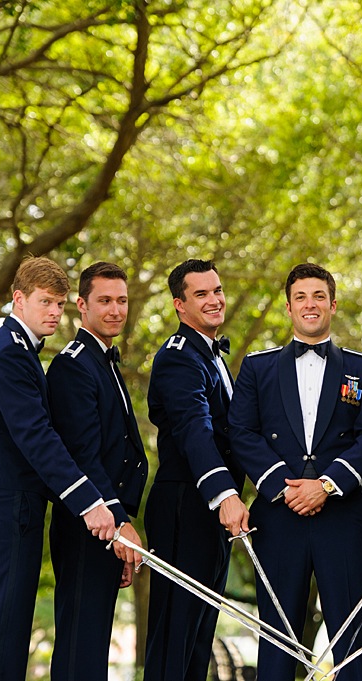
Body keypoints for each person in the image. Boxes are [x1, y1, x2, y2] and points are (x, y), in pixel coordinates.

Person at [0, 256, 118, 680]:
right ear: (19, 299)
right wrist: (90, 503)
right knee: (0, 639)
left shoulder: (11, 348)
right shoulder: (11, 355)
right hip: (8, 507)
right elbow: (38, 439)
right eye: (45, 302)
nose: (53, 312)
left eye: (60, 304)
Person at [229, 263, 362, 681]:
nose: (310, 304)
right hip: (279, 515)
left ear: (333, 304)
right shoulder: (256, 367)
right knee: (278, 637)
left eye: (318, 296)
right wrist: (286, 489)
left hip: (343, 515)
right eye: (301, 297)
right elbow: (241, 431)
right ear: (288, 307)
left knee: (353, 638)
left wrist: (327, 484)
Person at [144, 258, 250, 681]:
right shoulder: (178, 358)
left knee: (199, 638)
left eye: (217, 290)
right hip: (185, 505)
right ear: (179, 305)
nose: (214, 300)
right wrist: (224, 494)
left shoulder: (212, 355)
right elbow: (194, 429)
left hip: (210, 512)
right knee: (175, 636)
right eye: (201, 294)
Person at [46, 261, 148, 680]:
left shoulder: (104, 360)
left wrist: (121, 528)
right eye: (104, 300)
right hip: (87, 524)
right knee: (79, 647)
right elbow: (83, 455)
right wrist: (120, 523)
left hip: (107, 527)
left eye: (121, 301)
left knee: (94, 647)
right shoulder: (73, 365)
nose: (115, 309)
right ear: (81, 305)